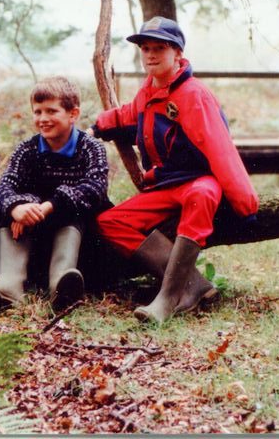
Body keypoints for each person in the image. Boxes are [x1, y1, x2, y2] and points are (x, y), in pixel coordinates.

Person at [90, 17, 258, 323]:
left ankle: (166, 298)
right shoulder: (149, 89)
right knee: (110, 221)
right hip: (166, 182)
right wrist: (107, 121)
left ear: (177, 53)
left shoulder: (194, 95)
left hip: (198, 179)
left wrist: (245, 205)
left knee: (203, 195)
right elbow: (133, 112)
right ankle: (193, 283)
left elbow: (222, 151)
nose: (151, 55)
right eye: (145, 49)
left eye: (159, 48)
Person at [0, 77, 111, 311]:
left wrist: (49, 205)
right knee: (12, 209)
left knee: (72, 206)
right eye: (38, 112)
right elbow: (5, 187)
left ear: (73, 114)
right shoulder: (28, 149)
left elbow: (95, 189)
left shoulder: (90, 147)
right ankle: (10, 284)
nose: (43, 119)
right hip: (37, 236)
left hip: (82, 241)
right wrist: (19, 207)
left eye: (52, 111)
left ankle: (62, 285)